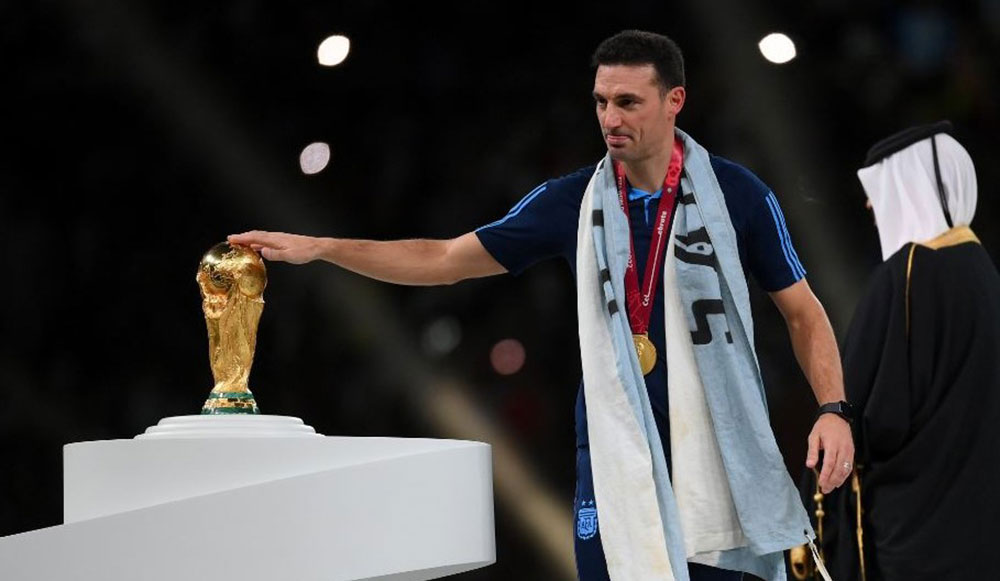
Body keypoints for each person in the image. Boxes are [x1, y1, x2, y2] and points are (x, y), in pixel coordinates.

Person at [230, 30, 853, 581]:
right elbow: (444, 259)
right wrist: (323, 248)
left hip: (715, 456)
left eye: (628, 102)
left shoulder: (739, 195)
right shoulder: (571, 202)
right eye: (601, 102)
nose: (610, 118)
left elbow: (803, 312)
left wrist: (832, 409)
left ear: (675, 101)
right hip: (611, 454)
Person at [800, 121, 999, 581]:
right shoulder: (984, 274)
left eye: (878, 189)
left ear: (910, 187)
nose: (870, 205)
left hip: (916, 540)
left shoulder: (907, 274)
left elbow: (856, 415)